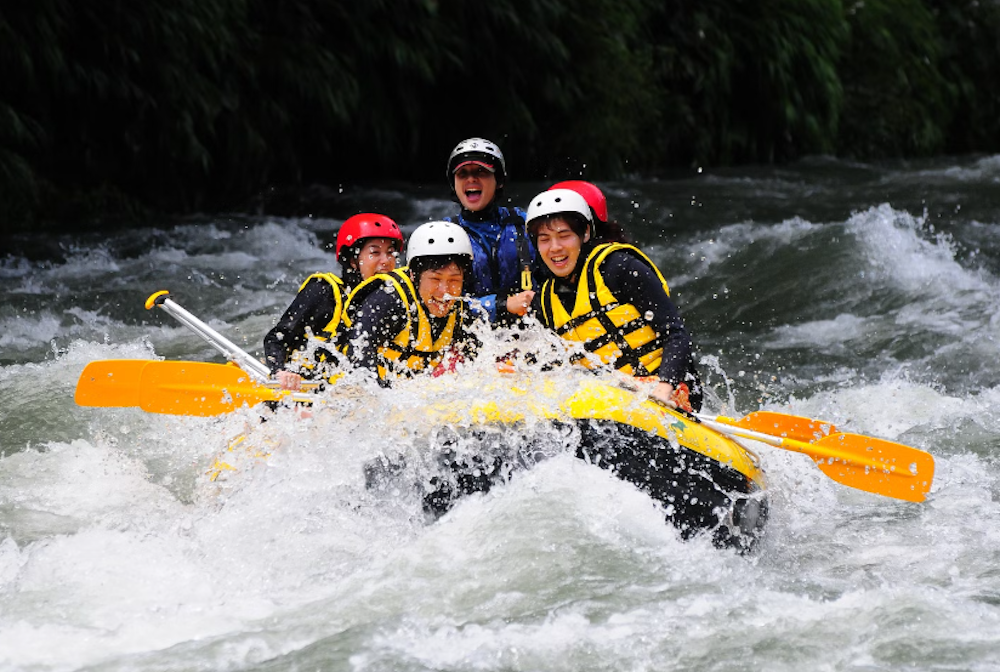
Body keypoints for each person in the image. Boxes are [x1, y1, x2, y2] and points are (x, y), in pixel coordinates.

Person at [525, 188, 704, 412]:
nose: (555, 248)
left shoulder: (619, 268)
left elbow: (676, 334)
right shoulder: (543, 302)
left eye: (564, 235)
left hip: (668, 393)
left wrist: (663, 388)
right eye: (544, 240)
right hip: (612, 402)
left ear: (585, 234)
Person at [263, 213, 404, 390]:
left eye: (390, 252)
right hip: (304, 392)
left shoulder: (392, 302)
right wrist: (279, 372)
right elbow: (277, 338)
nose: (386, 261)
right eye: (375, 252)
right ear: (353, 261)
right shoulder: (323, 291)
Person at [344, 220, 481, 385]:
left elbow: (479, 357)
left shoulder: (459, 308)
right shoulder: (389, 300)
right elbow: (358, 354)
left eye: (454, 280)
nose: (445, 291)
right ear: (414, 276)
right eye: (435, 279)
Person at [445, 137, 536, 324]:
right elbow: (441, 303)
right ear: (454, 183)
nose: (471, 179)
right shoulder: (444, 235)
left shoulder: (525, 224)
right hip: (471, 337)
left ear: (499, 181)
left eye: (481, 171)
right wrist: (502, 305)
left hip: (529, 331)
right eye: (462, 173)